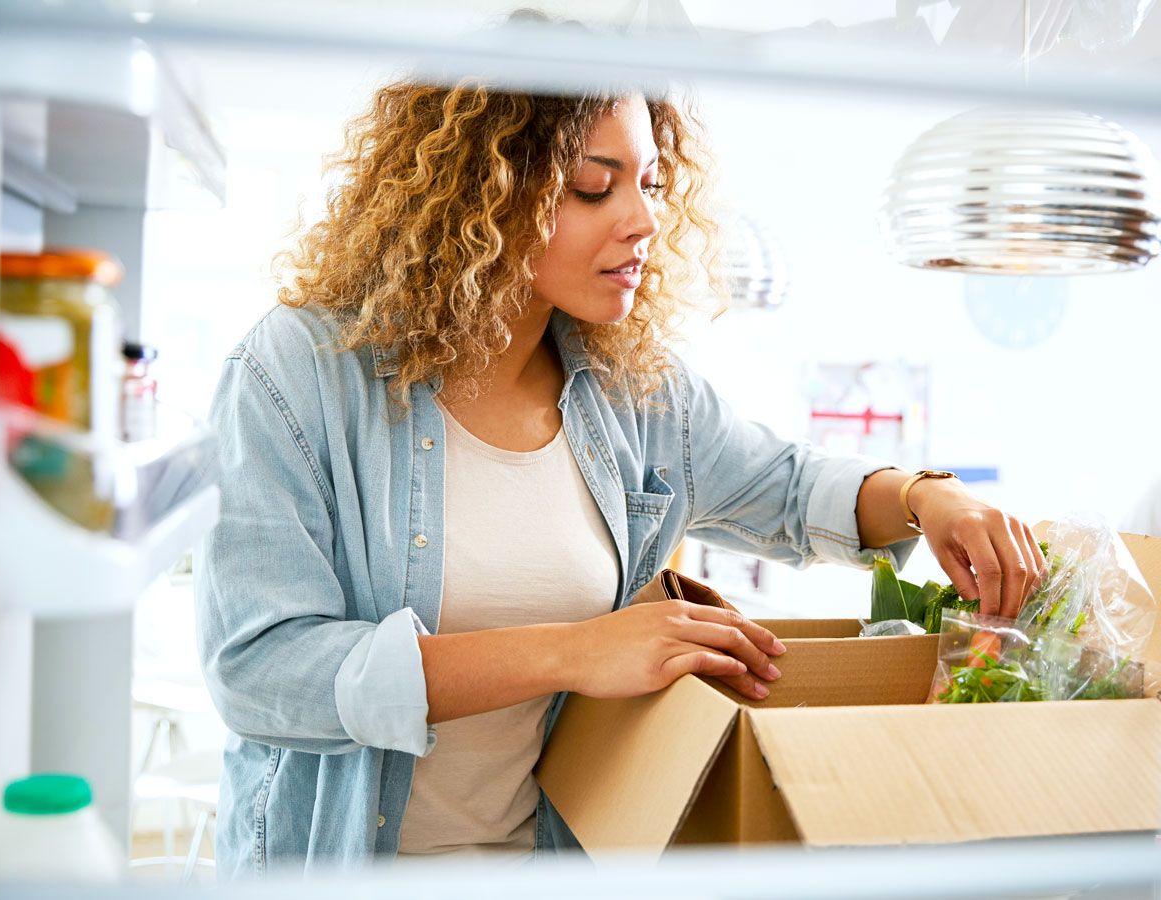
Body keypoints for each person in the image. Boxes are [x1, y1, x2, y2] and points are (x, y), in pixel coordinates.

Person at [194, 63, 1045, 876]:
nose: (641, 221)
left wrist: (931, 498)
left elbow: (790, 487)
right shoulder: (300, 368)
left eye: (651, 185)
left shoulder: (635, 392)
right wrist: (573, 653)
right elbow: (261, 673)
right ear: (478, 192)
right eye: (595, 186)